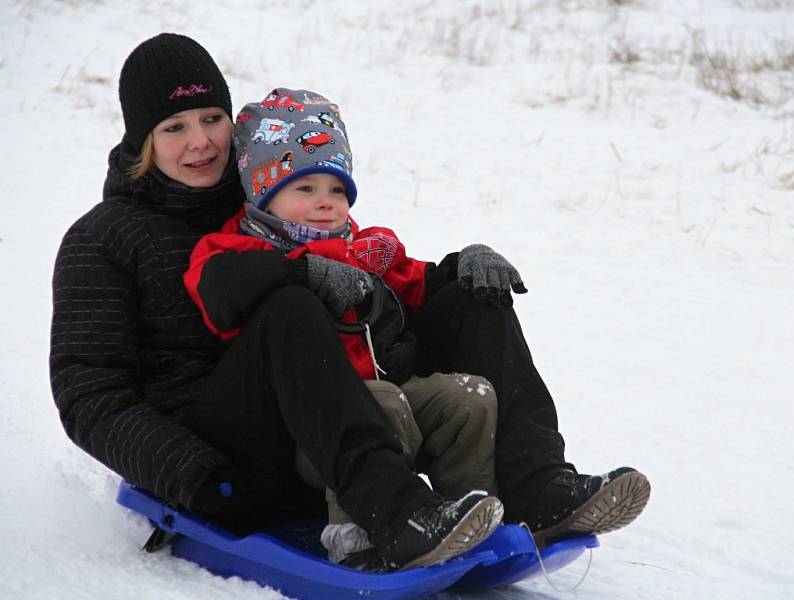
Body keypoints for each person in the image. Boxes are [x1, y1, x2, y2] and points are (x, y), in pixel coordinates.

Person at [48, 33, 504, 573]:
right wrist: (198, 478)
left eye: (212, 119)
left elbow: (364, 261)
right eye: (174, 128)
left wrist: (452, 277)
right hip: (228, 460)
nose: (200, 143)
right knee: (288, 302)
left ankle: (530, 489)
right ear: (142, 140)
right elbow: (90, 395)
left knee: (473, 295)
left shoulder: (272, 195)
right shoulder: (103, 239)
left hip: (321, 444)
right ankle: (394, 512)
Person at [183, 89, 501, 565]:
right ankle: (355, 537)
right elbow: (220, 295)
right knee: (382, 401)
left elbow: (419, 284)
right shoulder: (235, 249)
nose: (326, 203)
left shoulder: (364, 246)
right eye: (305, 189)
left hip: (384, 397)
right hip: (306, 430)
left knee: (469, 399)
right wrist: (300, 268)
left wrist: (466, 266)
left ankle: (469, 518)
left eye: (337, 190)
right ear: (264, 193)